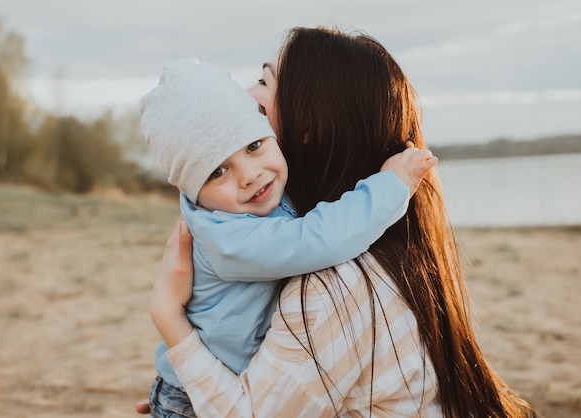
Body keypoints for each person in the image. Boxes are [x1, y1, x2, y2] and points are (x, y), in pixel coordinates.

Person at [138, 27, 537, 417]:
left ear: (308, 126)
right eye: (216, 170)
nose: (248, 95)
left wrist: (167, 316)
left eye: (264, 81)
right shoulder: (365, 246)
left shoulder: (333, 287)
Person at [139, 57, 437, 417]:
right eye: (217, 171)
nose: (249, 175)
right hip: (192, 397)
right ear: (193, 191)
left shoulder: (258, 199)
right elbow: (318, 238)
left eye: (253, 146)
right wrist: (392, 185)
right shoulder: (229, 237)